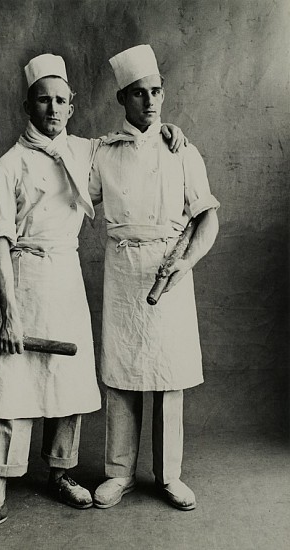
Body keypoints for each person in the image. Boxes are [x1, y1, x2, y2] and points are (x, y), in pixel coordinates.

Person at [0, 52, 186, 544]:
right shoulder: (8, 165)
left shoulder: (85, 151)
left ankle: (61, 472)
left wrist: (167, 133)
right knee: (11, 387)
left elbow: (131, 148)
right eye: (44, 100)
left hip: (66, 281)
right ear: (27, 105)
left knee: (67, 383)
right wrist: (10, 313)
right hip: (22, 280)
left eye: (62, 100)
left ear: (73, 105)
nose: (54, 109)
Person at [89, 45, 220, 512]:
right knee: (123, 374)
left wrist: (187, 262)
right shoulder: (101, 153)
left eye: (157, 92)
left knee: (169, 375)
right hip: (123, 271)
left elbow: (207, 219)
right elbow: (68, 191)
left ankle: (169, 475)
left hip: (170, 270)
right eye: (139, 93)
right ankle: (118, 473)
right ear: (122, 98)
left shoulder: (182, 150)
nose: (150, 101)